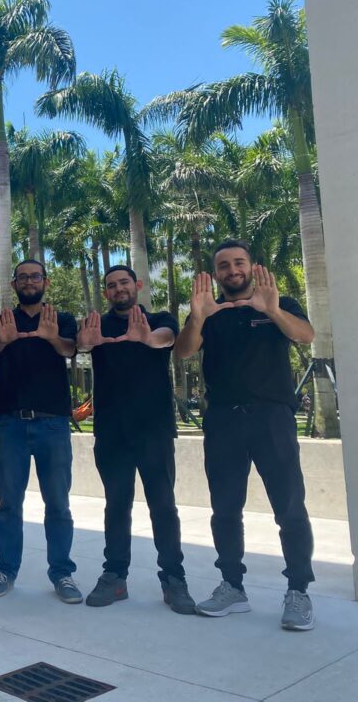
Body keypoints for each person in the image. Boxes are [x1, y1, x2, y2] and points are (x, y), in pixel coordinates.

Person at [174, 240, 317, 631]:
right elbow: (183, 352)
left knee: (289, 507)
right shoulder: (209, 311)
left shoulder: (279, 302)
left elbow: (306, 336)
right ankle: (232, 587)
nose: (231, 269)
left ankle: (299, 591)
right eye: (223, 265)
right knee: (225, 509)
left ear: (251, 267)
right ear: (216, 273)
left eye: (238, 262)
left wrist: (271, 311)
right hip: (223, 421)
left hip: (272, 418)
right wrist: (198, 318)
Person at [76, 265, 194, 614]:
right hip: (111, 431)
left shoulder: (159, 318)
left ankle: (174, 579)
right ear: (106, 292)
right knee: (116, 505)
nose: (118, 289)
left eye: (124, 282)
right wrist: (85, 343)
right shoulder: (98, 325)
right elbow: (81, 345)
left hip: (154, 429)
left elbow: (167, 339)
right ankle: (114, 576)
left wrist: (146, 338)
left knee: (163, 506)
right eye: (111, 285)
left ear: (137, 285)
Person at [0, 260, 81, 603]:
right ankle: (6, 569)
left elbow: (72, 348)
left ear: (46, 281)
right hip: (10, 422)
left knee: (58, 502)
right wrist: (3, 341)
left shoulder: (61, 319)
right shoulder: (1, 319)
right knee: (9, 502)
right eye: (23, 277)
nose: (29, 282)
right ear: (14, 284)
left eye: (35, 276)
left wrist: (54, 338)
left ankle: (62, 573)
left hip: (53, 422)